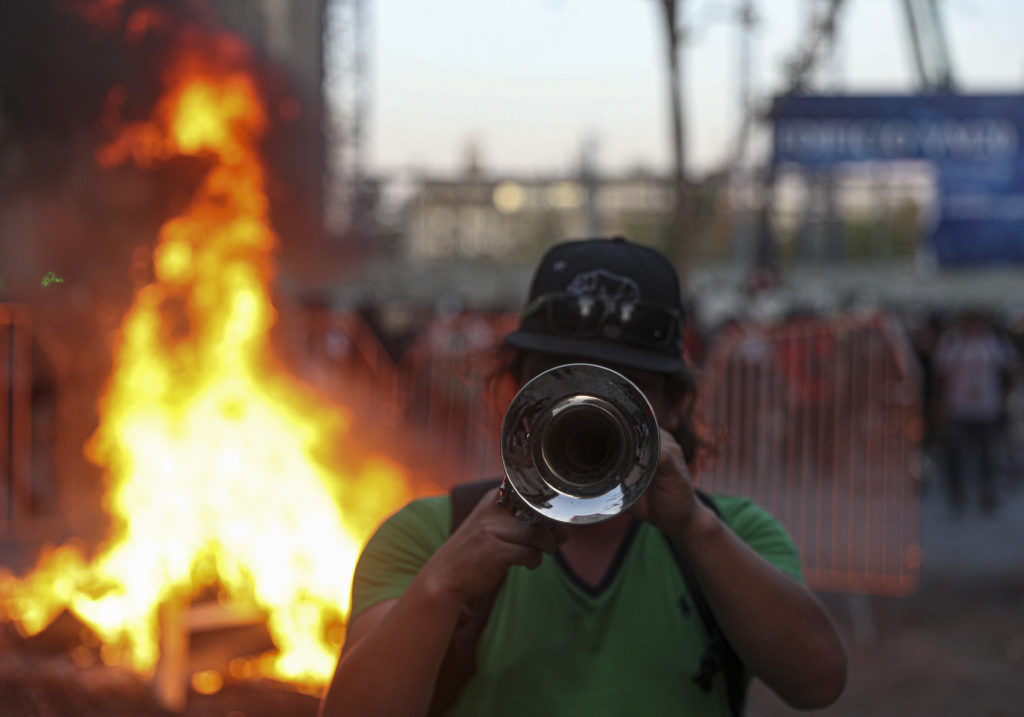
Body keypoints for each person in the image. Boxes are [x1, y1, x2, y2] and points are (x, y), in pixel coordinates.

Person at [319, 237, 847, 717]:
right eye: (561, 381)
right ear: (513, 392)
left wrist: (696, 529)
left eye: (623, 389)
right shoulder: (427, 536)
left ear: (673, 406)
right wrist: (444, 584)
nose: (588, 411)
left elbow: (818, 682)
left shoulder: (732, 533)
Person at [933, 309, 1018, 515]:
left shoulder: (993, 342)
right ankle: (957, 494)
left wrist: (1004, 396)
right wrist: (940, 405)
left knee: (987, 454)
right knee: (956, 454)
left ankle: (986, 493)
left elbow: (1010, 368)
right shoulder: (952, 342)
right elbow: (941, 375)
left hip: (987, 407)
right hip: (958, 407)